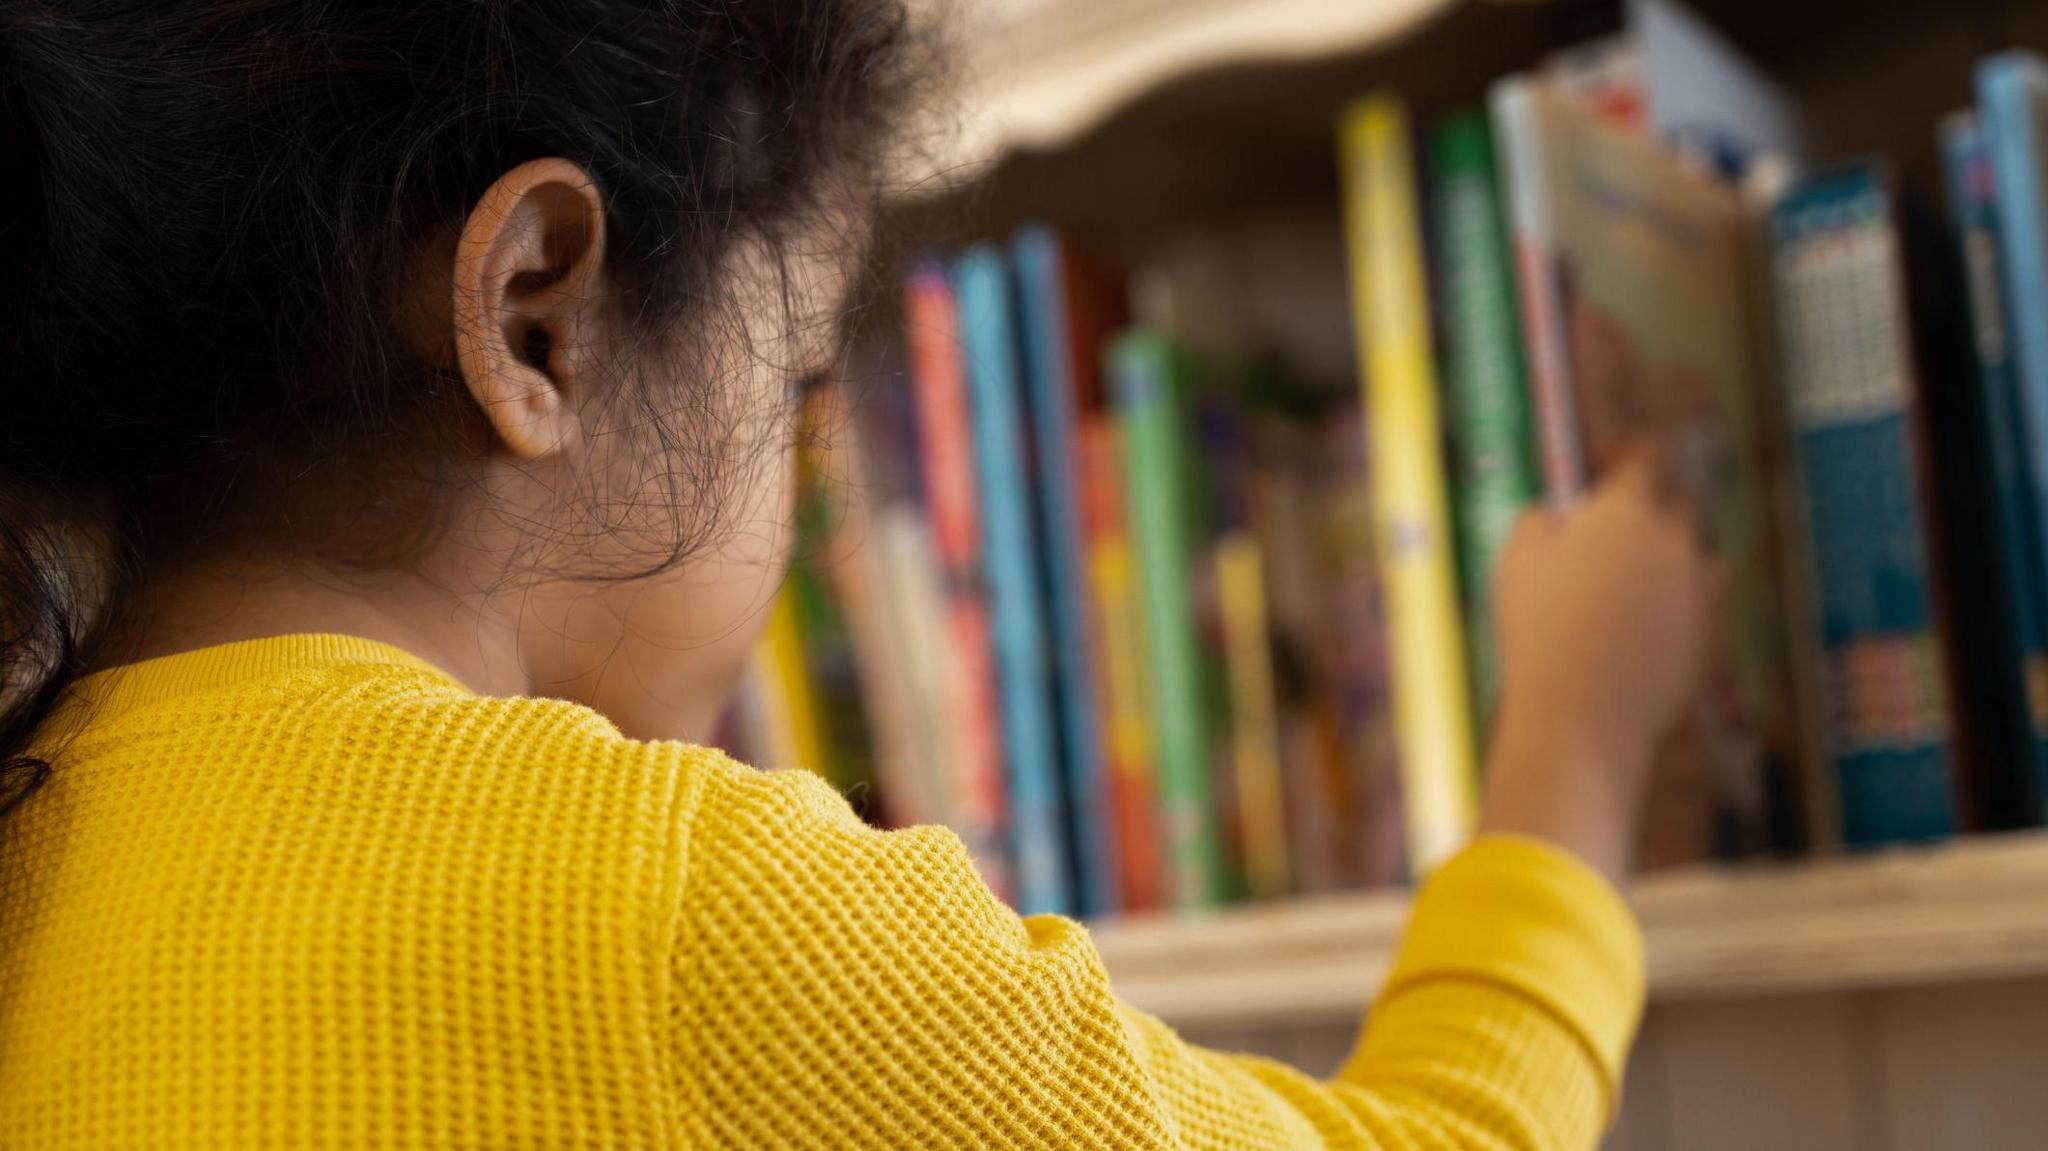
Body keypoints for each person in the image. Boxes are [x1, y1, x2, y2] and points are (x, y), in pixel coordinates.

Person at [0, 2, 1717, 1147]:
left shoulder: (41, 850)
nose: (808, 489)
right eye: (800, 376)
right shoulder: (674, 906)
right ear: (535, 316)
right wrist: (1574, 733)